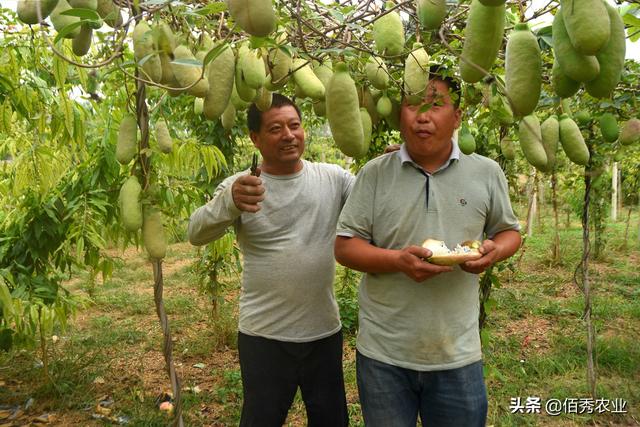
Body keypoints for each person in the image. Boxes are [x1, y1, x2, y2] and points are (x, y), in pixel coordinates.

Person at [334, 69, 522, 427]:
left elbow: (509, 233)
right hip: (383, 356)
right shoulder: (374, 173)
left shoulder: (486, 172)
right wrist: (397, 261)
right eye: (412, 104)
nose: (423, 115)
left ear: (457, 117)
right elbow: (344, 248)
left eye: (437, 104)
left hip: (458, 353)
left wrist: (493, 252)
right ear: (399, 115)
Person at [187, 94, 352, 427]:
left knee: (331, 419)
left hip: (322, 333)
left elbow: (375, 199)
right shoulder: (242, 186)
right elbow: (195, 232)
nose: (289, 135)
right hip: (264, 337)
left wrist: (393, 165)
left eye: (294, 125)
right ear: (255, 138)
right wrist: (229, 202)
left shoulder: (333, 179)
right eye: (276, 128)